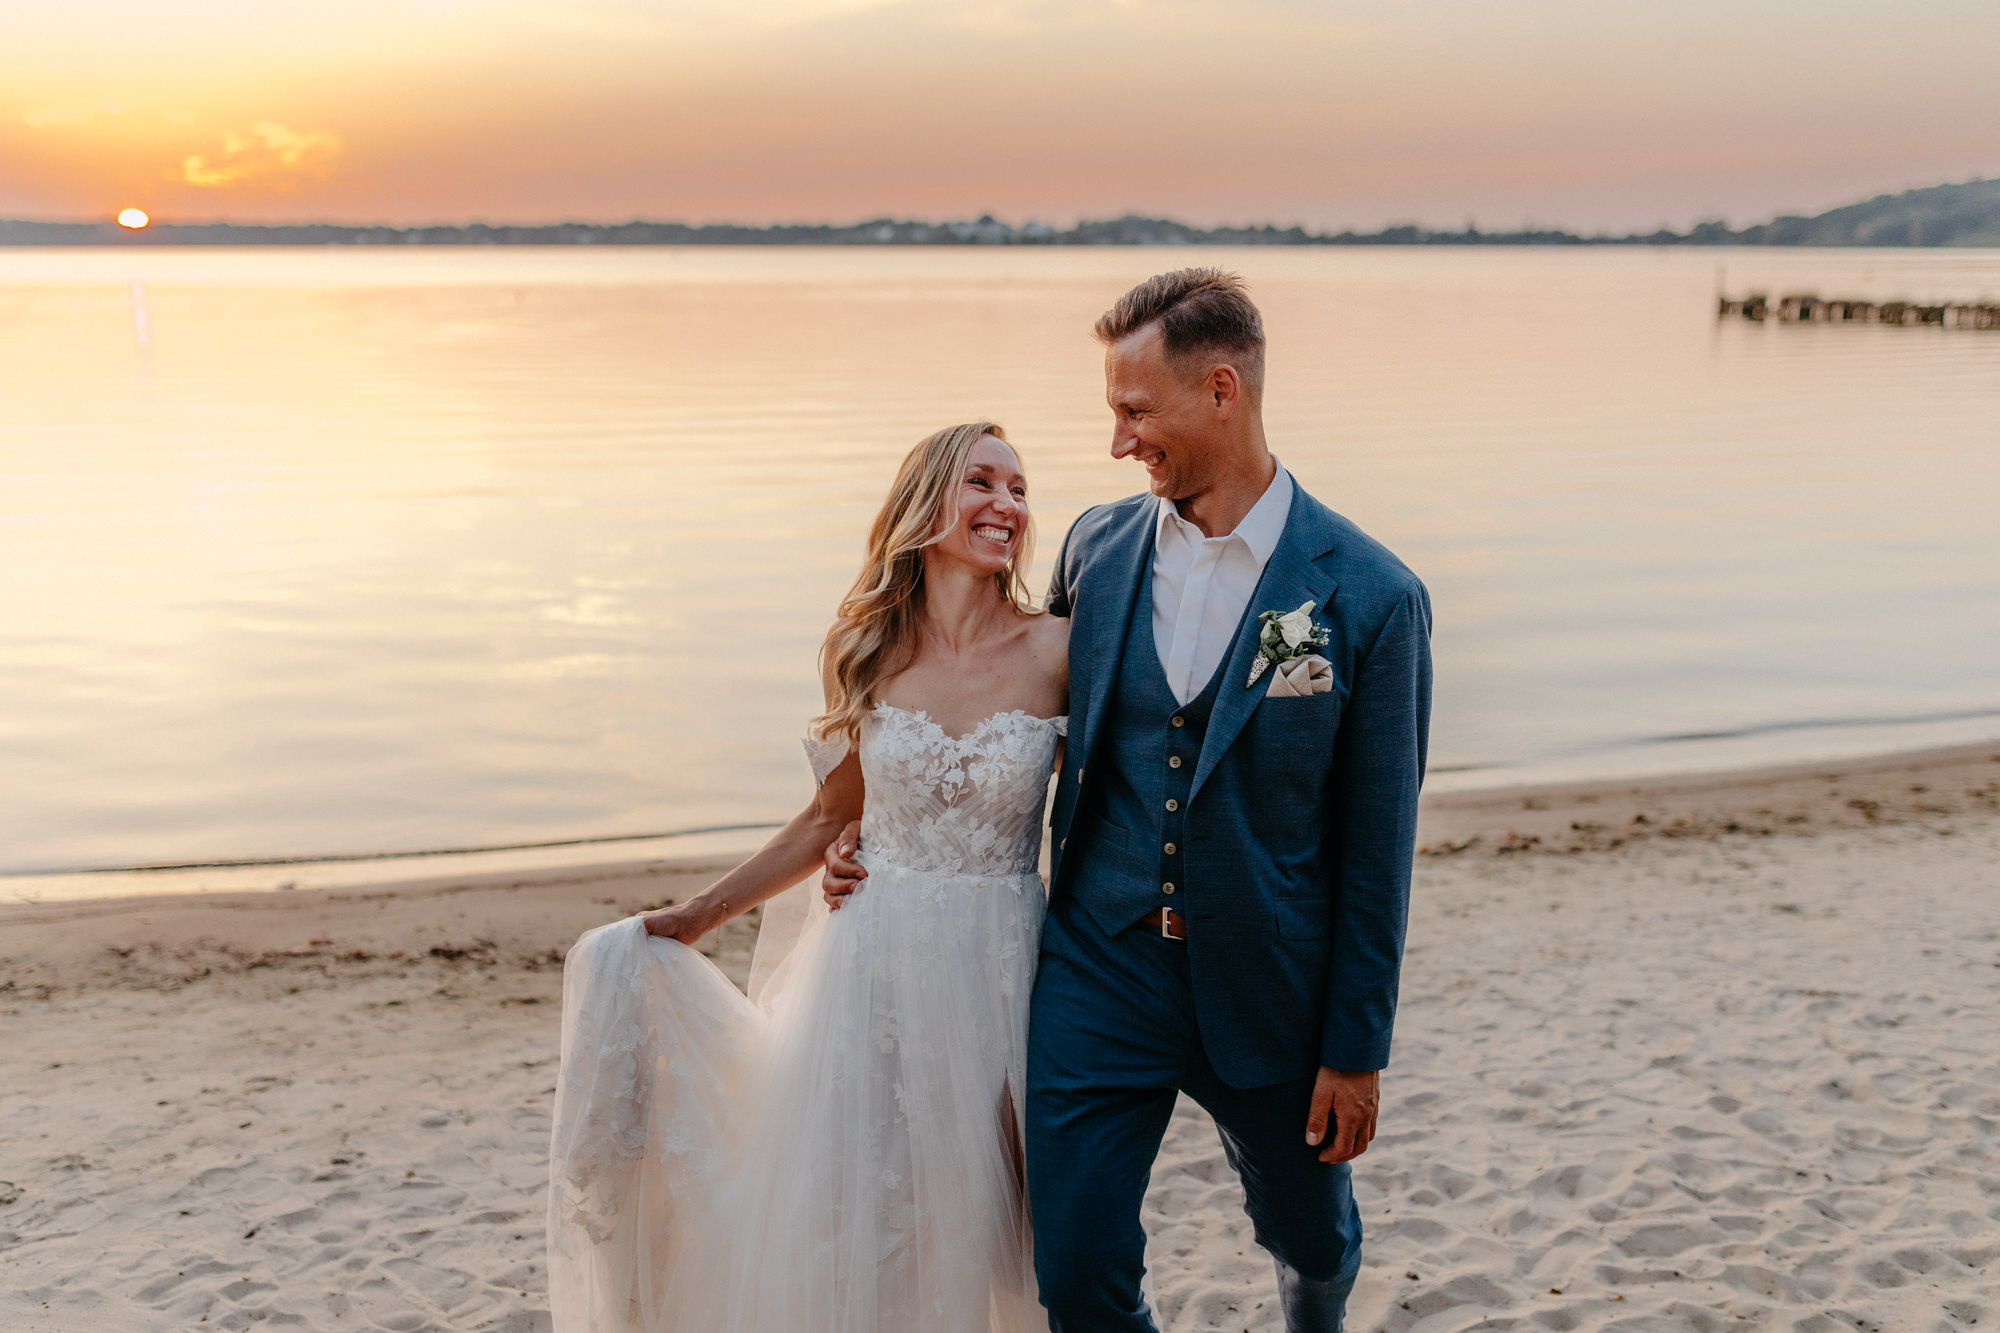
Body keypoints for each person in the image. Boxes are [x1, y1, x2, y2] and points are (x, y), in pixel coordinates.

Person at [825, 268, 1433, 1331]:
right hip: (1098, 972)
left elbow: (1377, 850)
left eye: (1135, 411)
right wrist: (872, 829)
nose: (1116, 443)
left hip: (1269, 986)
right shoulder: (1096, 552)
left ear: (1220, 390)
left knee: (1308, 1232)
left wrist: (1355, 1050)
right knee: (1073, 1269)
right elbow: (996, 698)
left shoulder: (1373, 597)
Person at [546, 422, 1069, 1333]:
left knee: (1009, 1227)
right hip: (873, 964)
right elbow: (832, 815)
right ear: (926, 503)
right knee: (869, 1218)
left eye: (1019, 489)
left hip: (1004, 964)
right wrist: (702, 913)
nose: (1007, 506)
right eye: (983, 482)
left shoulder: (1059, 651)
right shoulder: (864, 647)